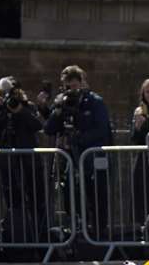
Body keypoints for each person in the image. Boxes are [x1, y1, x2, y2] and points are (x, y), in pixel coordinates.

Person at [43, 66, 113, 243]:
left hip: (92, 159)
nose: (72, 90)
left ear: (83, 83)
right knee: (70, 196)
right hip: (71, 161)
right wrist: (58, 110)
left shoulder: (95, 102)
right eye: (68, 86)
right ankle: (77, 231)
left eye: (75, 85)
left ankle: (98, 234)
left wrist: (78, 135)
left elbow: (102, 130)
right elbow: (49, 129)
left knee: (96, 196)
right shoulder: (63, 102)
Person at [0, 77, 46, 243]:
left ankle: (39, 237)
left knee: (36, 199)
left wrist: (19, 111)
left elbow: (37, 125)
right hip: (7, 163)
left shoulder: (26, 106)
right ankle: (16, 238)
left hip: (29, 162)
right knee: (13, 202)